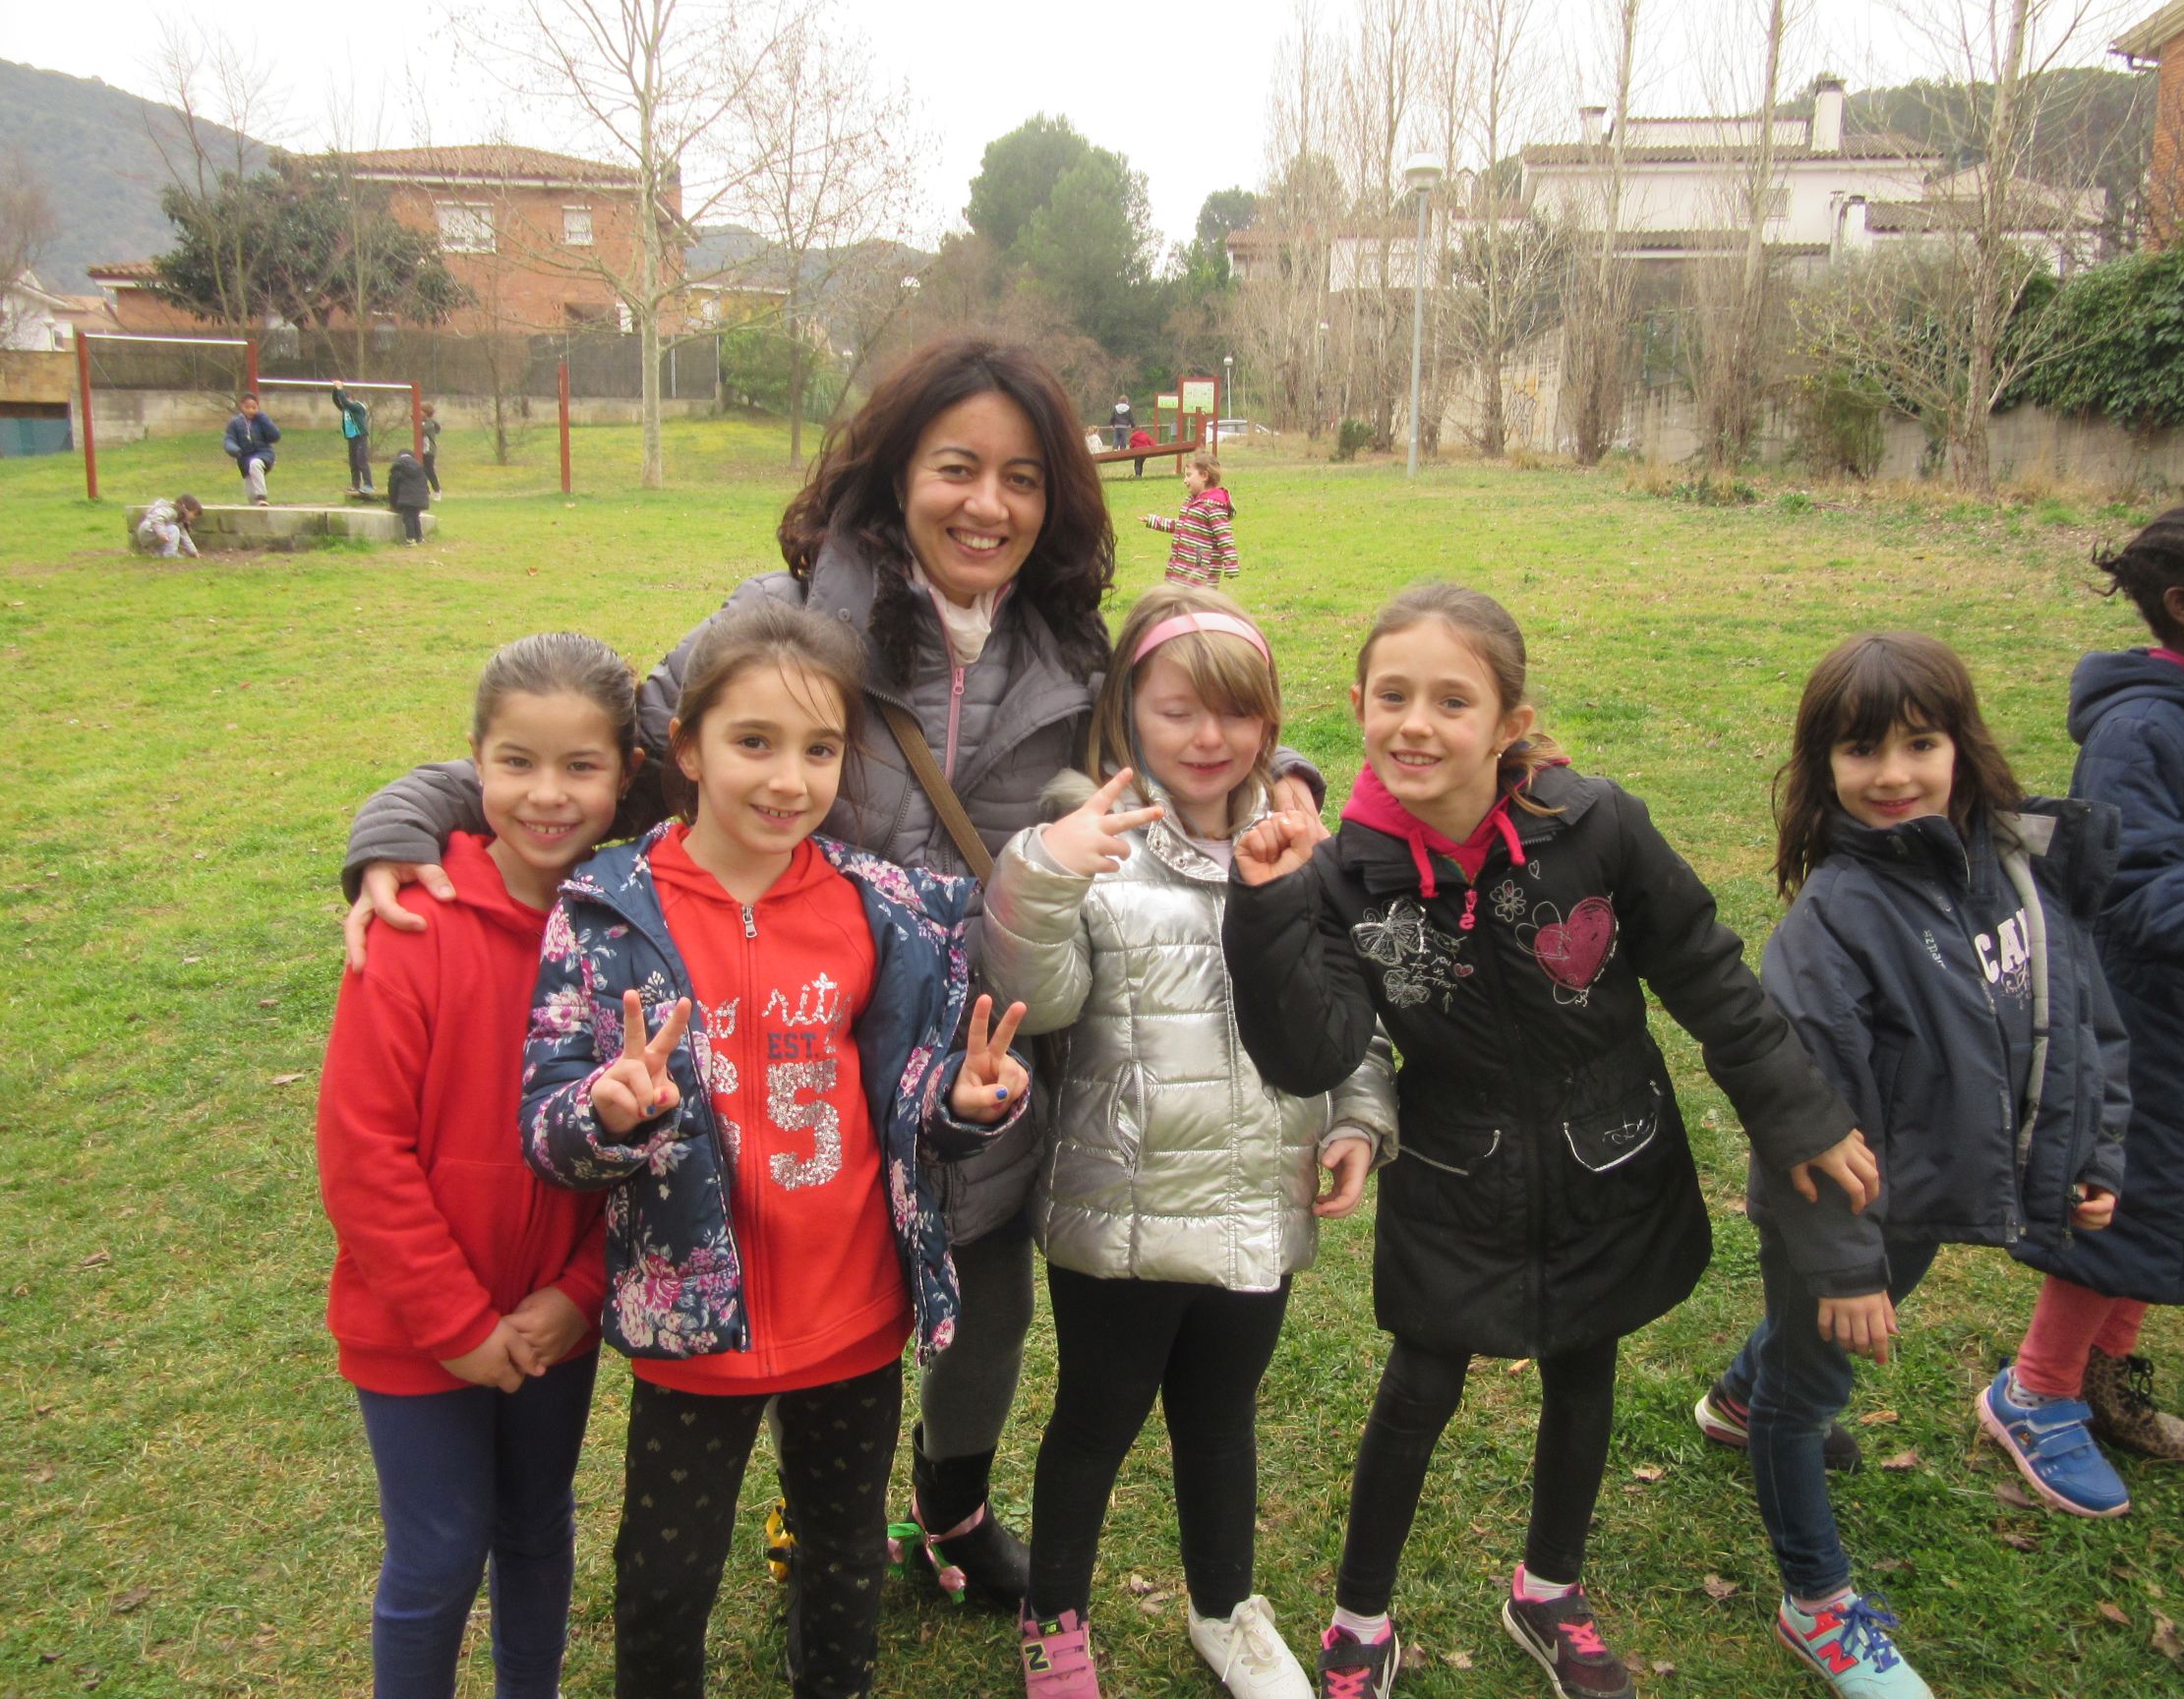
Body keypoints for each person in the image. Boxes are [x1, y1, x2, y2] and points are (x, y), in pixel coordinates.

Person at [339, 336, 1324, 1609]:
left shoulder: (1074, 651)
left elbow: (1196, 726)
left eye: (1023, 478)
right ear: (898, 471)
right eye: (956, 467)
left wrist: (1289, 775)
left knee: (986, 1318)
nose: (987, 504)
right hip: (790, 1066)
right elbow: (600, 747)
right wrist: (410, 813)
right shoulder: (785, 612)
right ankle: (806, 1516)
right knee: (802, 1315)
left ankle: (952, 1508)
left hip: (976, 1063)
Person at [1221, 583, 1871, 1699]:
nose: (1416, 724)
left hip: (1607, 1156)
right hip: (1456, 1170)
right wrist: (1270, 910)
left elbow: (1705, 970)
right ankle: (1359, 1617)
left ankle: (1548, 1590)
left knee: (1586, 1367)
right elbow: (1310, 1053)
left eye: (1452, 701)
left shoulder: (1596, 824)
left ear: (1508, 724)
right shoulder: (1341, 879)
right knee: (1419, 1388)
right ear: (1359, 706)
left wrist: (1796, 1109)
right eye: (1393, 696)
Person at [519, 601, 1032, 1698]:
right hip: (693, 1324)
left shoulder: (884, 908)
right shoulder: (606, 913)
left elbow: (911, 1104)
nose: (788, 780)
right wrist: (608, 1114)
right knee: (664, 1579)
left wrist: (966, 1102)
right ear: (687, 747)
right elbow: (547, 1125)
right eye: (754, 742)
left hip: (854, 1313)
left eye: (819, 748)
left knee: (843, 1556)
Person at [981, 585, 1397, 1699]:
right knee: (1096, 1422)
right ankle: (1054, 1619)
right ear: (1127, 711)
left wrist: (1360, 1113)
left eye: (1237, 714)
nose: (1209, 738)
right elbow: (1037, 999)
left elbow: (1345, 1008)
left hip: (1259, 1198)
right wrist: (1045, 871)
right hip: (1122, 1208)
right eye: (1177, 712)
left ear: (1271, 721)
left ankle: (1226, 1611)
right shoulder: (1092, 843)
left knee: (1220, 1421)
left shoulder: (1301, 847)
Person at [1697, 632, 2127, 1697]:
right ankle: (1815, 1602)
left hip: (1929, 1195)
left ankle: (1737, 1399)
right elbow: (1802, 1119)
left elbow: (2076, 1019)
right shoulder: (1832, 925)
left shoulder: (2015, 867)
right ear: (1822, 767)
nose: (1892, 775)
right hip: (1840, 1217)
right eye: (1860, 751)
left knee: (1811, 1351)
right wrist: (1845, 1268)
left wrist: (2091, 1148)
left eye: (1919, 744)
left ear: (1962, 744)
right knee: (1811, 1393)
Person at [318, 632, 640, 1698]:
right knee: (439, 1554)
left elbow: (644, 1141)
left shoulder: (623, 934)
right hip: (414, 1326)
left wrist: (578, 1294)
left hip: (552, 1320)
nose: (547, 795)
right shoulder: (414, 925)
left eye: (581, 766)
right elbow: (362, 1154)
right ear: (473, 764)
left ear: (627, 774)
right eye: (517, 763)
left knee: (537, 1527)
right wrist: (454, 1325)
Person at [1986, 503, 2184, 1492]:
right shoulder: (2139, 730)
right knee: (2120, 1205)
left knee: (2182, 1191)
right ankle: (2035, 1390)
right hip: (2147, 1021)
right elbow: (2136, 892)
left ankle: (2103, 1373)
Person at [1145, 453, 1239, 586]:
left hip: (1200, 560)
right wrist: (1155, 521)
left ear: (1204, 476)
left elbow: (1224, 536)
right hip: (1184, 563)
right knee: (1180, 591)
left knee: (1197, 591)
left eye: (1188, 475)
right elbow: (1182, 525)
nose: (1185, 480)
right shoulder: (1192, 501)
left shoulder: (1213, 505)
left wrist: (1231, 564)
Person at [223, 392, 279, 505]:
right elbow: (229, 439)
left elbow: (275, 436)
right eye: (247, 407)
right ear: (241, 407)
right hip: (244, 459)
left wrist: (263, 418)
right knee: (250, 494)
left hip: (264, 455)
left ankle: (261, 496)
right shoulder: (235, 423)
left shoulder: (262, 420)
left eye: (254, 407)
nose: (250, 410)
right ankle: (257, 506)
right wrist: (234, 449)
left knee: (255, 464)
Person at [332, 380, 376, 496]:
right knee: (353, 462)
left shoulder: (357, 406)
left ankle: (369, 485)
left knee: (361, 461)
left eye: (343, 399)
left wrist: (340, 389)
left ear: (350, 398)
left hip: (360, 436)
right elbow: (336, 401)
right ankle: (355, 485)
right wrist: (335, 389)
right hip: (351, 437)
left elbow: (345, 402)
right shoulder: (345, 408)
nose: (341, 402)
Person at [387, 448, 433, 546]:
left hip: (407, 497)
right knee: (415, 516)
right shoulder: (419, 466)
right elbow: (425, 484)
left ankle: (410, 539)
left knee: (408, 517)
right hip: (420, 497)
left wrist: (393, 503)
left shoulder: (398, 466)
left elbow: (393, 486)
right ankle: (419, 538)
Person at [133, 495, 202, 557]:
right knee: (174, 529)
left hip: (153, 533)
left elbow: (184, 536)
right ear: (185, 508)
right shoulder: (170, 511)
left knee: (174, 531)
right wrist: (161, 533)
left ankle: (160, 554)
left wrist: (194, 552)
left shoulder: (179, 520)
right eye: (194, 514)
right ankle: (170, 554)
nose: (194, 517)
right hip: (148, 531)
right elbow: (156, 519)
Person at [420, 401, 443, 501]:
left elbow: (421, 431)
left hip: (429, 451)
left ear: (426, 413)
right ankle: (425, 491)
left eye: (421, 411)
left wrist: (415, 421)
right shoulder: (423, 422)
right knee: (421, 471)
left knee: (429, 471)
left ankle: (437, 491)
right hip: (422, 450)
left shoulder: (429, 424)